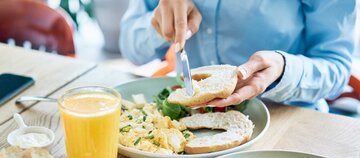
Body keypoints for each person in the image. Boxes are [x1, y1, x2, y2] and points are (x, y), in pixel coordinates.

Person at [120, 0, 356, 110]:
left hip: (287, 125)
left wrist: (284, 69)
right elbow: (130, 47)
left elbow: (336, 66)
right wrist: (161, 24)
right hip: (185, 127)